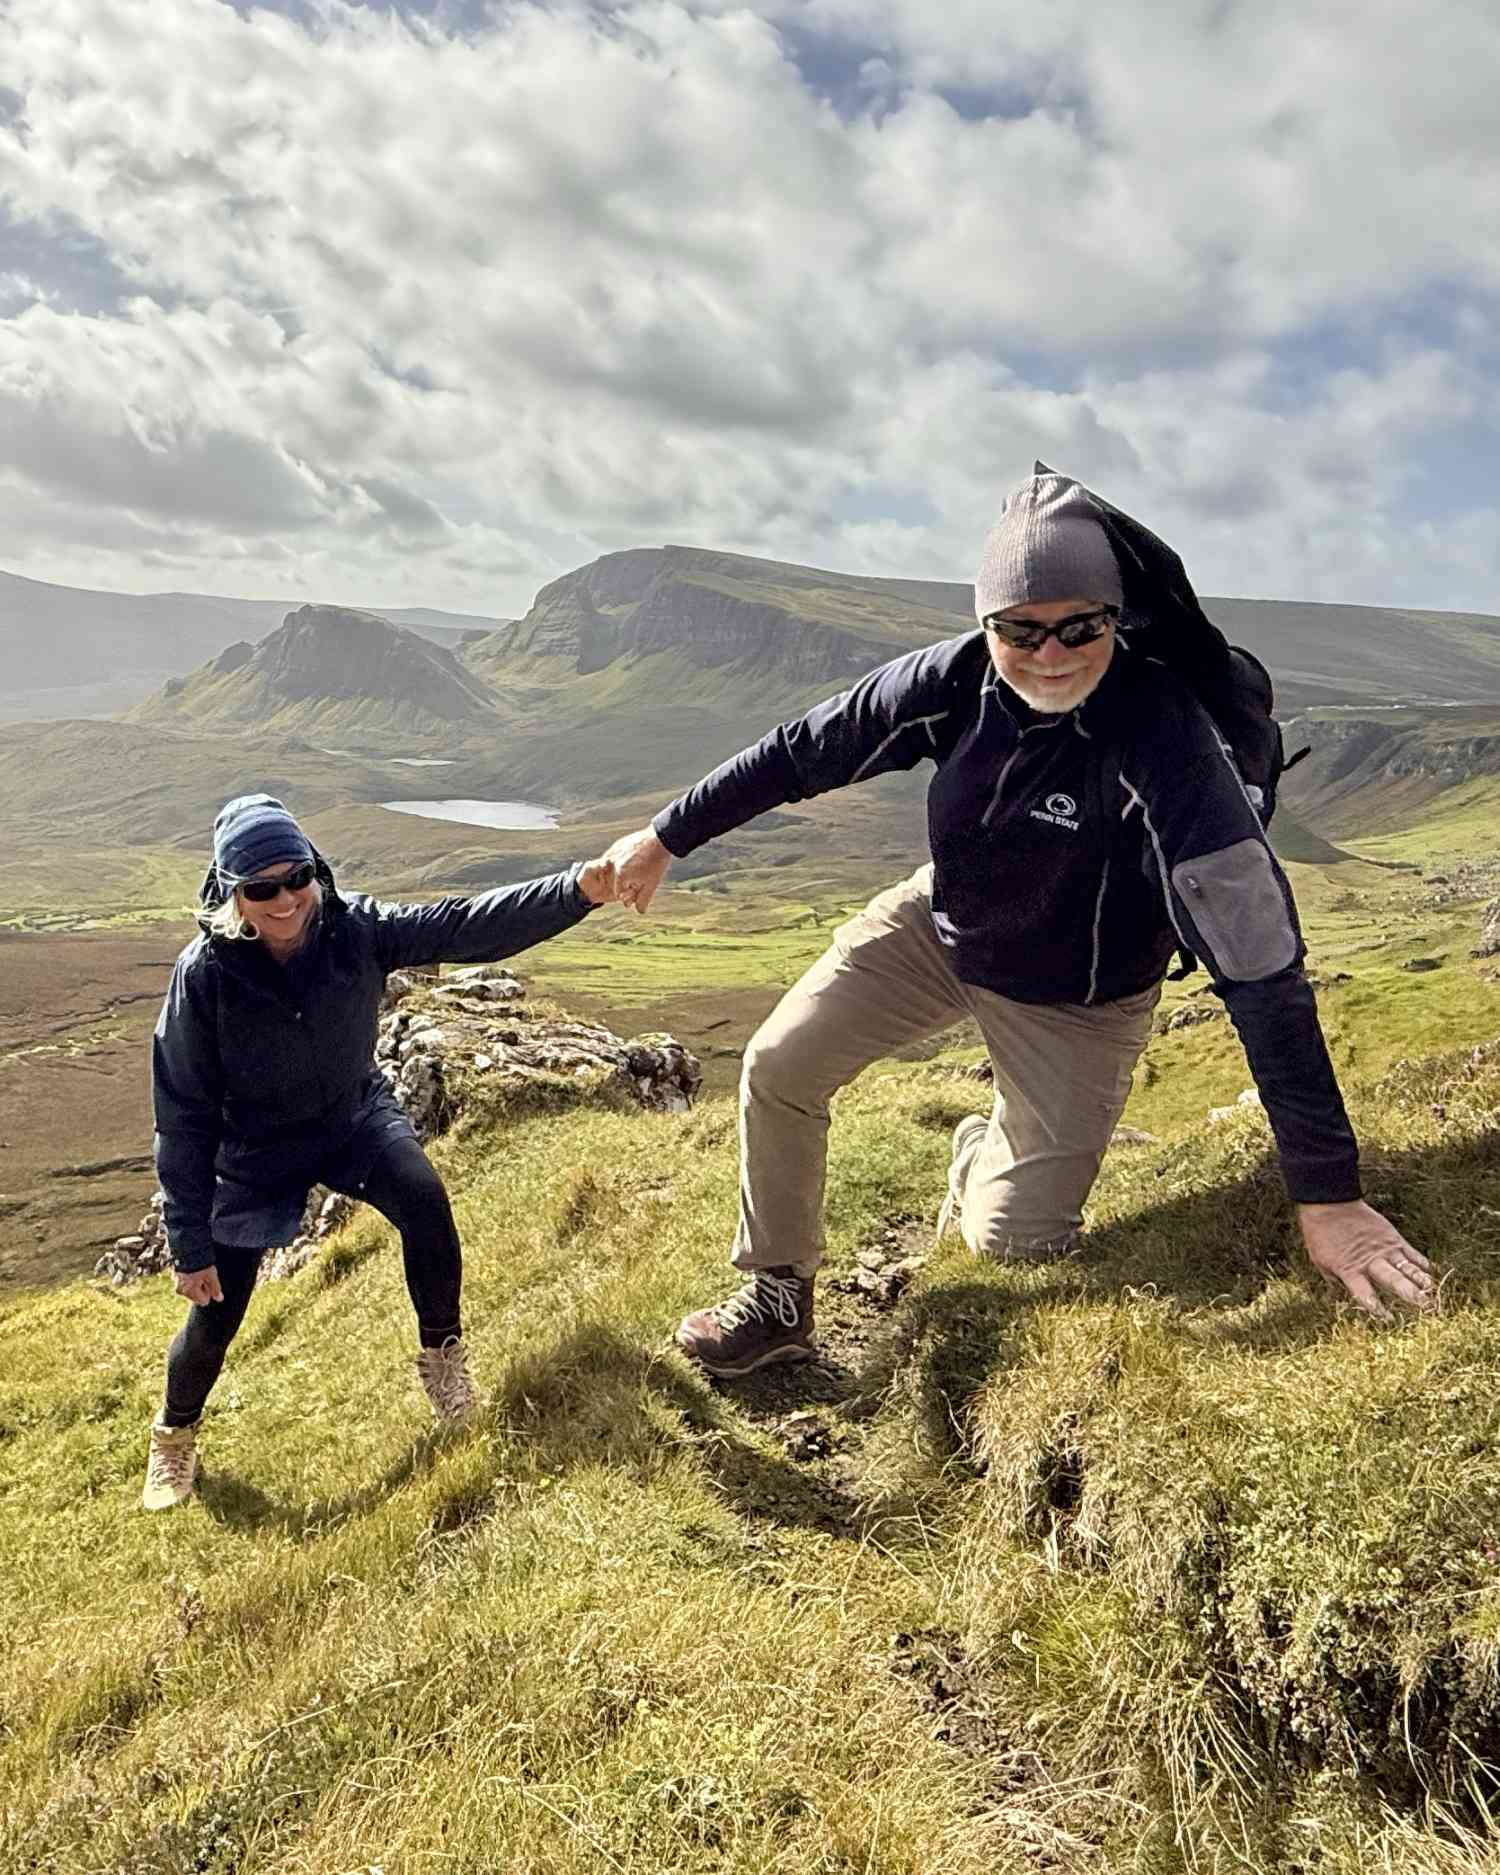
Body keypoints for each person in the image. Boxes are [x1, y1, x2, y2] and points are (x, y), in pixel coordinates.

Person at [604, 467, 1437, 1377]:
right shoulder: (953, 682)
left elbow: (1260, 966)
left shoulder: (1163, 737)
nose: (1051, 654)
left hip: (1078, 1002)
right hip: (947, 924)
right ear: (987, 623)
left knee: (1011, 1247)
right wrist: (664, 836)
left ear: (1114, 619)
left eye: (1082, 626)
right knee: (778, 1065)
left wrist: (1329, 1198)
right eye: (1020, 629)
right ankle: (778, 1295)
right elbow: (801, 752)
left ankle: (979, 1155)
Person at [142, 793, 614, 1511]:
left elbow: (464, 924)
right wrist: (189, 1238)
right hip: (254, 1150)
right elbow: (181, 1112)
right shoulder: (204, 975)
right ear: (232, 893)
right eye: (259, 887)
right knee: (217, 1310)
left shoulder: (355, 927)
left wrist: (578, 888)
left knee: (424, 1200)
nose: (284, 900)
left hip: (349, 1115)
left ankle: (444, 1358)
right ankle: (174, 1437)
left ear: (315, 871)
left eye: (295, 877)